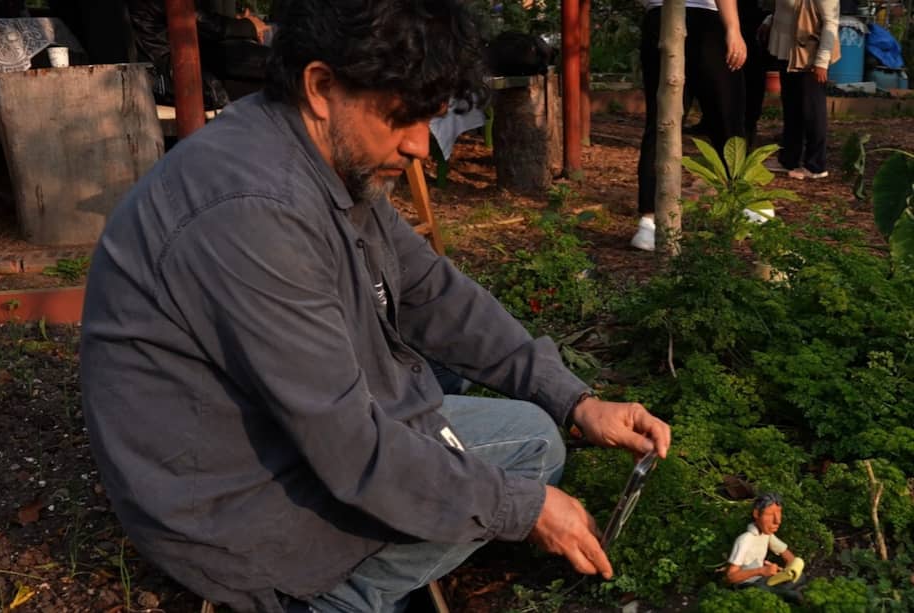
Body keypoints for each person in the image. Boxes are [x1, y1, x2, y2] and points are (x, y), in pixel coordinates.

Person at [80, 2, 672, 612]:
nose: (420, 145)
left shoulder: (320, 155)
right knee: (521, 469)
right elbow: (350, 449)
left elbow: (431, 293)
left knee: (526, 433)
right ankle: (330, 597)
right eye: (401, 119)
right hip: (229, 501)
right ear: (321, 86)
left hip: (273, 431)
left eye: (431, 119)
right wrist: (523, 509)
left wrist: (577, 400)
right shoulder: (253, 209)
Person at [631, 0, 748, 252]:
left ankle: (648, 220)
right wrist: (733, 28)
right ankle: (739, 202)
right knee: (727, 116)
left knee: (661, 120)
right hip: (704, 19)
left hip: (658, 19)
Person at [127, 0, 271, 108]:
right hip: (171, 76)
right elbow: (204, 23)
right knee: (274, 71)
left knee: (271, 64)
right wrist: (249, 26)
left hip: (179, 71)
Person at [761, 0, 838, 179]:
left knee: (812, 110)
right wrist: (769, 21)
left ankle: (816, 165)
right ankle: (788, 159)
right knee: (792, 107)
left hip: (808, 54)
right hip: (788, 50)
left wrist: (822, 61)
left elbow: (830, 21)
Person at [726, 492, 803, 597]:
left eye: (779, 513)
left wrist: (789, 571)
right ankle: (786, 594)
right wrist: (761, 571)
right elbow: (731, 577)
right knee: (785, 594)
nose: (778, 521)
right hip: (747, 584)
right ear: (757, 514)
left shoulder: (767, 535)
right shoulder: (745, 540)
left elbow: (788, 556)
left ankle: (783, 592)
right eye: (770, 514)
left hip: (763, 580)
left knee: (800, 577)